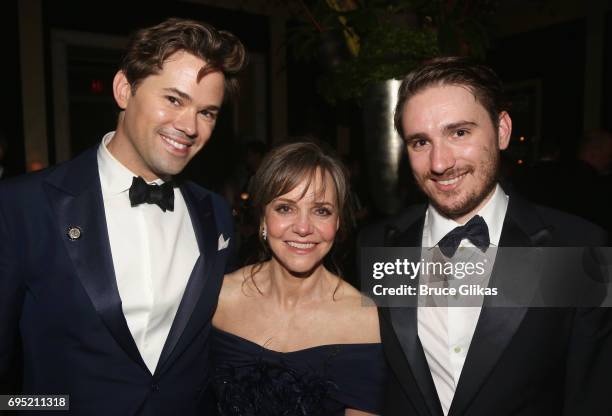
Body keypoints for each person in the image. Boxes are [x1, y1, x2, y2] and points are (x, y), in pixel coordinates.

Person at [0, 18, 245, 415]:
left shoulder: (216, 214)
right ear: (123, 90)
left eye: (208, 113)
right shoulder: (22, 206)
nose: (189, 126)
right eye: (174, 99)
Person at [359, 57, 611, 415]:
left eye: (459, 133)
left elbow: (592, 397)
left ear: (502, 129)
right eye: (420, 142)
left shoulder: (577, 248)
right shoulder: (378, 245)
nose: (440, 162)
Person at [211, 142, 387, 415]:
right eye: (285, 208)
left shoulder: (363, 319)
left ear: (338, 222)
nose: (303, 228)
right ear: (263, 219)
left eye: (321, 211)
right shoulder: (220, 298)